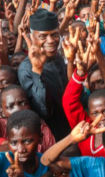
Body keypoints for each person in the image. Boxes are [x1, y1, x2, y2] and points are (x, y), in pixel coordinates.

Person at [18, 9, 71, 140]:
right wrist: (37, 71)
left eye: (54, 35)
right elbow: (42, 111)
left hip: (68, 128)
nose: (51, 40)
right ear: (32, 37)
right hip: (49, 137)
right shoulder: (26, 68)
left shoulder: (57, 58)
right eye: (42, 36)